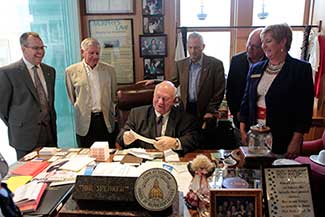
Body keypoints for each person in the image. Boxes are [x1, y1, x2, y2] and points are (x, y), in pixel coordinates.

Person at [239, 23, 314, 158]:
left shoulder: (300, 70)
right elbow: (246, 100)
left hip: (283, 137)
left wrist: (296, 140)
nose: (264, 46)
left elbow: (304, 110)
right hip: (255, 135)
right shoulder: (255, 68)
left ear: (283, 42)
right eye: (263, 42)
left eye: (268, 41)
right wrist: (243, 130)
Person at [0, 32, 57, 159]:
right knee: (28, 176)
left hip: (49, 133)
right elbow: (3, 109)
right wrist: (20, 123)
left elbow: (49, 103)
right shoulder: (8, 73)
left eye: (42, 48)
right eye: (35, 48)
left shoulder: (50, 71)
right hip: (25, 137)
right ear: (23, 49)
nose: (40, 52)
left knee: (52, 172)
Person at [116, 81, 199, 155]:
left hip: (171, 160)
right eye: (158, 97)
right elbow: (120, 138)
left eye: (165, 99)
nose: (160, 102)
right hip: (144, 161)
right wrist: (125, 138)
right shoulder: (137, 114)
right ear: (153, 96)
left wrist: (175, 143)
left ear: (174, 100)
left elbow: (194, 139)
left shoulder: (184, 118)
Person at [65, 38, 117, 148]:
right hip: (85, 122)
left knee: (109, 154)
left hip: (105, 120)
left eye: (97, 53)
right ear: (82, 52)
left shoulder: (109, 70)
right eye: (91, 53)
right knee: (86, 156)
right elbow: (73, 98)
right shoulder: (71, 71)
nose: (95, 56)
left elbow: (113, 95)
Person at [170, 32, 225, 121]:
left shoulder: (215, 65)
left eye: (196, 48)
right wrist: (155, 82)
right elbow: (171, 83)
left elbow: (219, 91)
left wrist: (211, 110)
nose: (192, 51)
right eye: (190, 47)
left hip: (206, 112)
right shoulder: (180, 65)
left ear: (203, 47)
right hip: (185, 111)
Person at [226, 28, 265, 128]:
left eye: (255, 46)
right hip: (239, 117)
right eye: (248, 44)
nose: (249, 48)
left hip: (261, 117)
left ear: (263, 47)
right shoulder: (236, 60)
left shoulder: (269, 62)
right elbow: (230, 90)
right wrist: (236, 112)